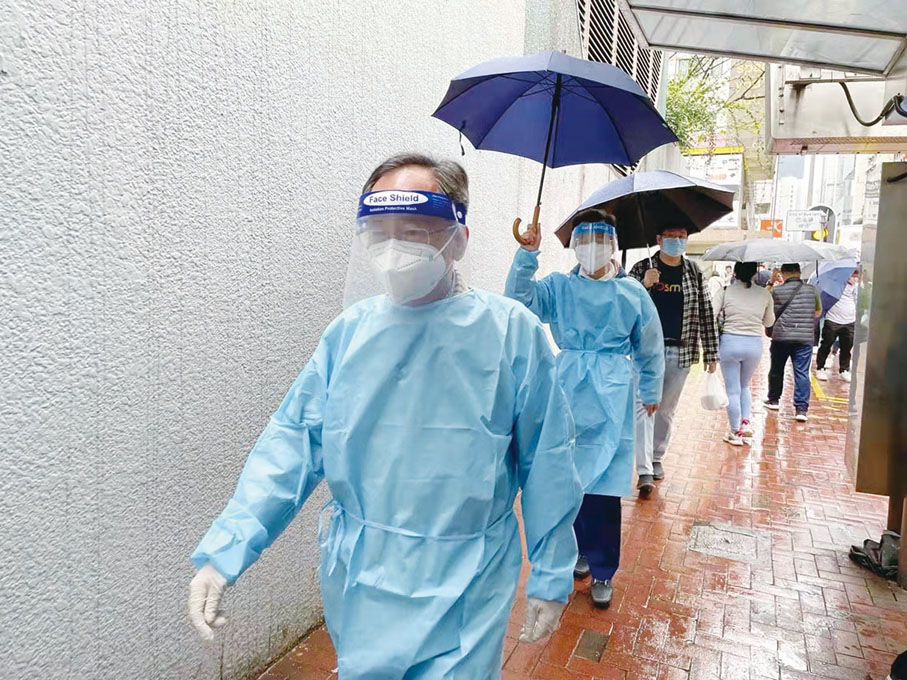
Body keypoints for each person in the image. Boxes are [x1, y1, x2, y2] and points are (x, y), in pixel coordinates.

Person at [187, 153, 584, 679]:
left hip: (466, 576)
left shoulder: (511, 333)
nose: (396, 249)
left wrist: (551, 574)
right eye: (382, 233)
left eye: (414, 231)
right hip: (362, 575)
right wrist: (226, 550)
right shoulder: (350, 334)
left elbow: (547, 459)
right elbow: (294, 443)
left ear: (458, 240)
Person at [506, 209, 663, 609]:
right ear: (575, 245)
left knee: (605, 487)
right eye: (585, 239)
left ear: (613, 244)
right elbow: (519, 302)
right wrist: (527, 255)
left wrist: (650, 389)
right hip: (568, 387)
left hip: (612, 392)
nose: (592, 247)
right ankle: (578, 552)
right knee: (569, 479)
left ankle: (604, 568)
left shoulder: (631, 293)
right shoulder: (559, 287)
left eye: (600, 239)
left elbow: (649, 345)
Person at [629, 226, 720, 493]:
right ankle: (644, 469)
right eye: (671, 236)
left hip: (681, 351)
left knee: (665, 410)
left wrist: (711, 353)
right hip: (646, 352)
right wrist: (644, 285)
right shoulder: (641, 268)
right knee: (644, 407)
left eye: (682, 237)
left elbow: (706, 311)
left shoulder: (693, 271)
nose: (677, 241)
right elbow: (625, 304)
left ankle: (656, 456)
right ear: (659, 239)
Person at [712, 262, 775, 445]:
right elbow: (769, 322)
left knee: (732, 390)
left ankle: (735, 432)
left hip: (730, 343)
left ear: (735, 272)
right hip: (754, 345)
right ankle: (746, 422)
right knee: (745, 385)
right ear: (754, 273)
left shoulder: (725, 291)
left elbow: (711, 313)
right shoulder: (764, 294)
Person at [764, 263, 822, 422]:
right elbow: (818, 312)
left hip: (781, 337)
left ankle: (774, 400)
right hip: (804, 338)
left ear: (783, 273)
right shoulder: (812, 290)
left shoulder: (777, 291)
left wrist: (771, 281)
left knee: (777, 368)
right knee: (802, 372)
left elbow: (765, 306)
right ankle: (801, 409)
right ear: (799, 272)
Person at [816, 269, 859, 382]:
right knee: (826, 345)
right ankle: (820, 367)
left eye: (856, 276)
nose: (854, 278)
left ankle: (844, 370)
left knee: (847, 347)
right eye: (852, 275)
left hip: (850, 321)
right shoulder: (835, 285)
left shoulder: (856, 287)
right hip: (833, 320)